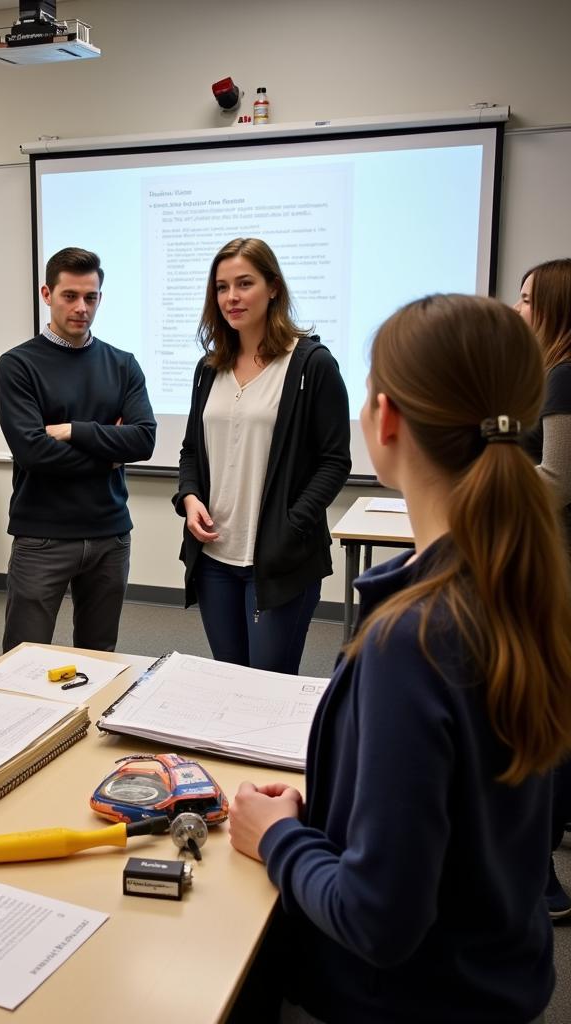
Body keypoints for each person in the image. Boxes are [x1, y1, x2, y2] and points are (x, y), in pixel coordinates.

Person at [228, 293, 571, 1024]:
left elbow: (377, 919)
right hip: (494, 983)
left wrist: (279, 837)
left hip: (405, 1000)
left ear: (384, 420)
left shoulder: (412, 639)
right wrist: (322, 816)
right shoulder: (520, 587)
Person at [173, 238, 350, 674]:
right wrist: (190, 497)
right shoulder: (209, 367)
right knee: (230, 681)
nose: (231, 297)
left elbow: (335, 461)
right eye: (221, 287)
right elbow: (192, 450)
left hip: (278, 560)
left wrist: (291, 526)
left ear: (273, 287)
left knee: (268, 690)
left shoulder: (311, 364)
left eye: (244, 283)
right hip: (215, 559)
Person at [0, 247, 156, 652]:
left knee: (99, 657)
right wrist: (111, 451)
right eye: (70, 296)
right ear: (47, 294)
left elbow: (144, 439)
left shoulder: (123, 364)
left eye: (91, 297)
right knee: (22, 661)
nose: (81, 307)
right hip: (42, 537)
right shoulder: (17, 365)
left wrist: (73, 430)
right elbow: (33, 453)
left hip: (110, 535)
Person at [515, 258, 571, 920]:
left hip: (556, 570)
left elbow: (555, 479)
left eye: (529, 299)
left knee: (547, 722)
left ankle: (540, 880)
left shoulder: (563, 375)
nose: (519, 309)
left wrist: (486, 477)